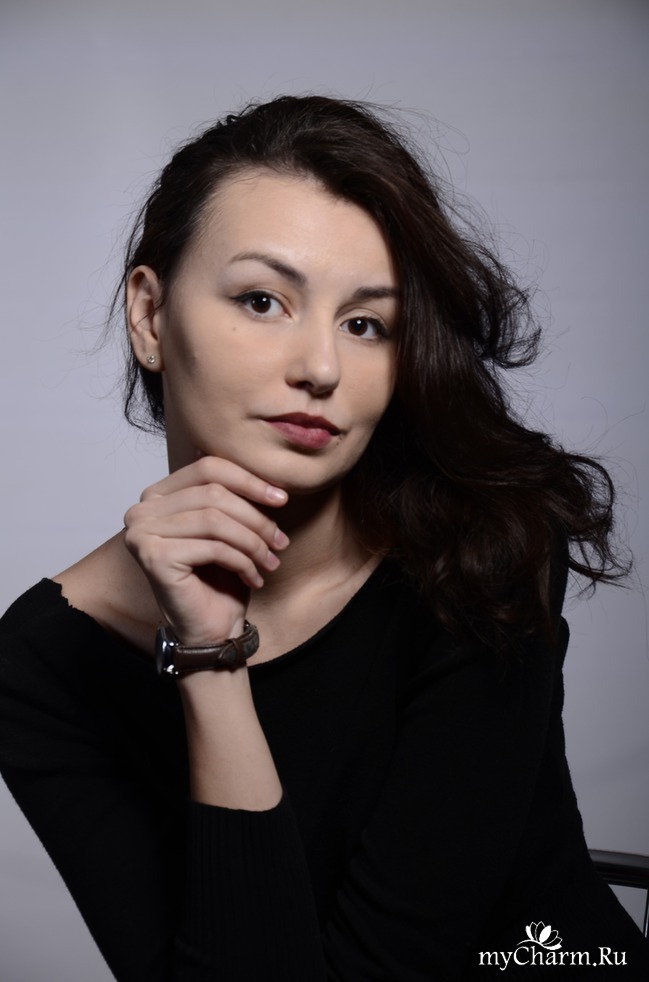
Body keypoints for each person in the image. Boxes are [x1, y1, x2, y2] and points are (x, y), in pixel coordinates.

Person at [0, 95, 647, 981]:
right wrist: (209, 658)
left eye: (364, 323)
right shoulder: (40, 663)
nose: (320, 368)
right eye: (262, 300)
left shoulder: (479, 551)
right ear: (150, 317)